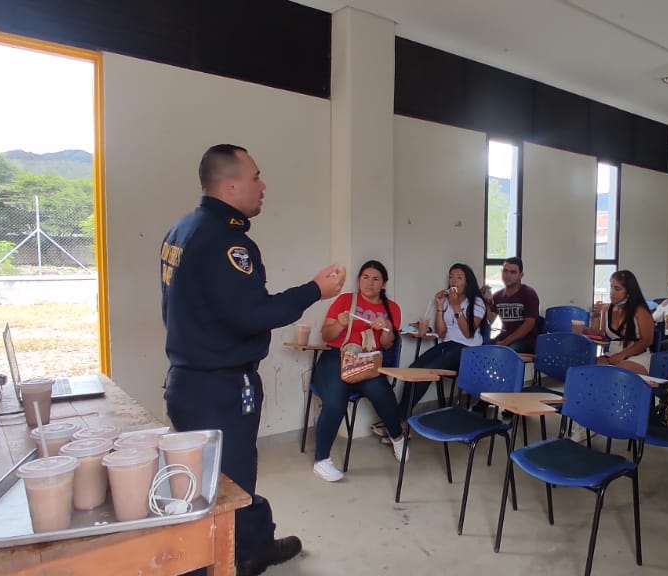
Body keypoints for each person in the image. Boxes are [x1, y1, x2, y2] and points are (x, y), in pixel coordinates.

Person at [161, 144, 345, 575]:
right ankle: (229, 560)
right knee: (228, 482)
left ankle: (253, 545)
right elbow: (253, 315)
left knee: (205, 478)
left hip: (188, 380)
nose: (263, 185)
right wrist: (315, 290)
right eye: (256, 176)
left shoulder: (182, 229)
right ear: (230, 185)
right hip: (221, 386)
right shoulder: (227, 241)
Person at [310, 261, 409, 483]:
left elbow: (387, 344)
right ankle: (321, 460)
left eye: (375, 279)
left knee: (381, 391)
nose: (369, 283)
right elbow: (326, 335)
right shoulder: (345, 300)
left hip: (367, 359)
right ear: (358, 280)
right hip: (337, 356)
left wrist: (386, 328)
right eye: (365, 277)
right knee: (335, 399)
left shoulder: (392, 308)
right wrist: (340, 324)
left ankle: (397, 437)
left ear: (383, 284)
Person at [397, 263, 486, 416]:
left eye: (459, 277)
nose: (454, 281)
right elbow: (441, 332)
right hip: (448, 345)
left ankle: (399, 418)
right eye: (451, 277)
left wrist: (456, 306)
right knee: (414, 369)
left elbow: (468, 333)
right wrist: (440, 306)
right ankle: (401, 416)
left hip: (468, 350)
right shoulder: (447, 301)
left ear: (467, 282)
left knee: (427, 370)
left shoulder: (477, 302)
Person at [590, 270, 655, 375]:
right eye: (611, 287)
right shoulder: (606, 309)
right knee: (589, 367)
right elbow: (602, 334)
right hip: (613, 355)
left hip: (637, 356)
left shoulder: (640, 311)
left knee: (616, 372)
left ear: (629, 291)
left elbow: (647, 341)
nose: (612, 292)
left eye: (617, 289)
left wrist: (622, 355)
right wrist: (596, 315)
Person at [482, 257, 540, 354]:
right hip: (502, 339)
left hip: (524, 341)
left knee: (507, 352)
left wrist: (505, 342)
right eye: (505, 271)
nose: (508, 275)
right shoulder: (497, 296)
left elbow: (529, 324)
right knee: (481, 349)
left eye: (513, 272)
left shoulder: (529, 294)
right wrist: (487, 304)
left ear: (521, 275)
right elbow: (492, 320)